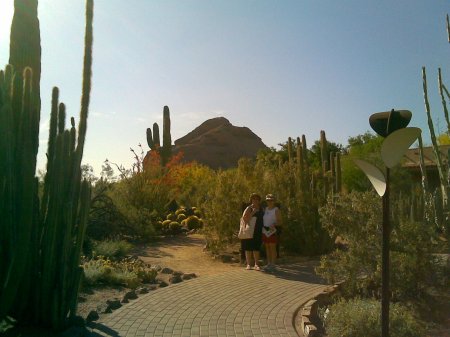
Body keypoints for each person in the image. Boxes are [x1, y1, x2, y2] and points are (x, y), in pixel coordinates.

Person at [241, 193, 264, 270]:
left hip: (258, 230)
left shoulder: (261, 209)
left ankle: (256, 264)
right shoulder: (249, 208)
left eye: (257, 199)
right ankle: (248, 264)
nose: (255, 200)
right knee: (248, 247)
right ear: (251, 200)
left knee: (256, 247)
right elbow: (245, 219)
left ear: (259, 200)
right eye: (253, 199)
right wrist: (253, 213)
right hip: (250, 230)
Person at [262, 194, 282, 271]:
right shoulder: (266, 209)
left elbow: (280, 221)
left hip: (272, 230)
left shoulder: (276, 210)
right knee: (267, 247)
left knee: (272, 247)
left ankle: (273, 264)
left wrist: (274, 224)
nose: (269, 202)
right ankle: (269, 263)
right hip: (265, 230)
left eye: (271, 200)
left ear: (274, 201)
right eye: (268, 200)